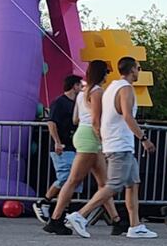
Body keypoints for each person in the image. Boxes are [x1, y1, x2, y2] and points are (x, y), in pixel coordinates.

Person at [63, 57, 155, 238]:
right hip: (120, 143)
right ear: (132, 70)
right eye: (138, 68)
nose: (139, 71)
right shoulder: (126, 89)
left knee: (132, 183)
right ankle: (80, 215)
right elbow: (128, 116)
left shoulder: (112, 87)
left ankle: (135, 226)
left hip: (118, 143)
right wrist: (144, 138)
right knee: (113, 184)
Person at [43, 61, 124, 235]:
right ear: (102, 74)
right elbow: (96, 120)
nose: (107, 76)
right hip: (91, 137)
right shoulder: (97, 92)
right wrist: (103, 140)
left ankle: (117, 220)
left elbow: (75, 119)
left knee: (104, 183)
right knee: (73, 180)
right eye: (106, 73)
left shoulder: (82, 93)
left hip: (83, 133)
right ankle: (56, 218)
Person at [33, 74, 82, 223]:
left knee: (73, 178)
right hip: (62, 146)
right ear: (74, 86)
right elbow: (52, 122)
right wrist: (57, 141)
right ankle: (45, 202)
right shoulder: (59, 102)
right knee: (65, 177)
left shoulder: (76, 104)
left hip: (73, 145)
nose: (81, 88)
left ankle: (63, 210)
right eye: (80, 85)